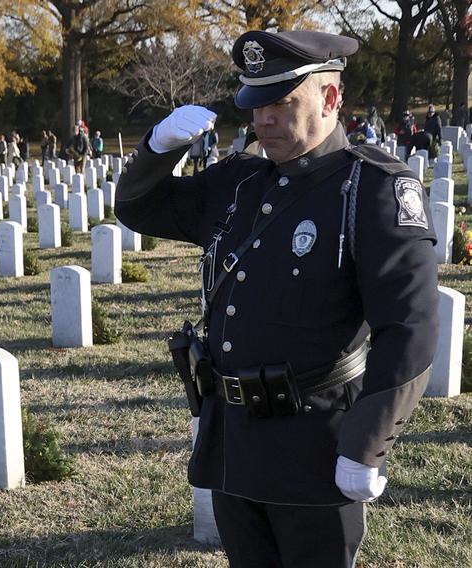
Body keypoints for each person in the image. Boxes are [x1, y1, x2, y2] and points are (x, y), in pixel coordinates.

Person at [115, 30, 437, 567]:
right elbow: (139, 210)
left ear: (330, 99)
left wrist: (366, 444)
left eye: (281, 103)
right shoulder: (241, 181)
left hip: (317, 446)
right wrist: (156, 149)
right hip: (233, 442)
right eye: (255, 105)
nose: (262, 120)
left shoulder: (373, 188)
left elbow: (411, 326)